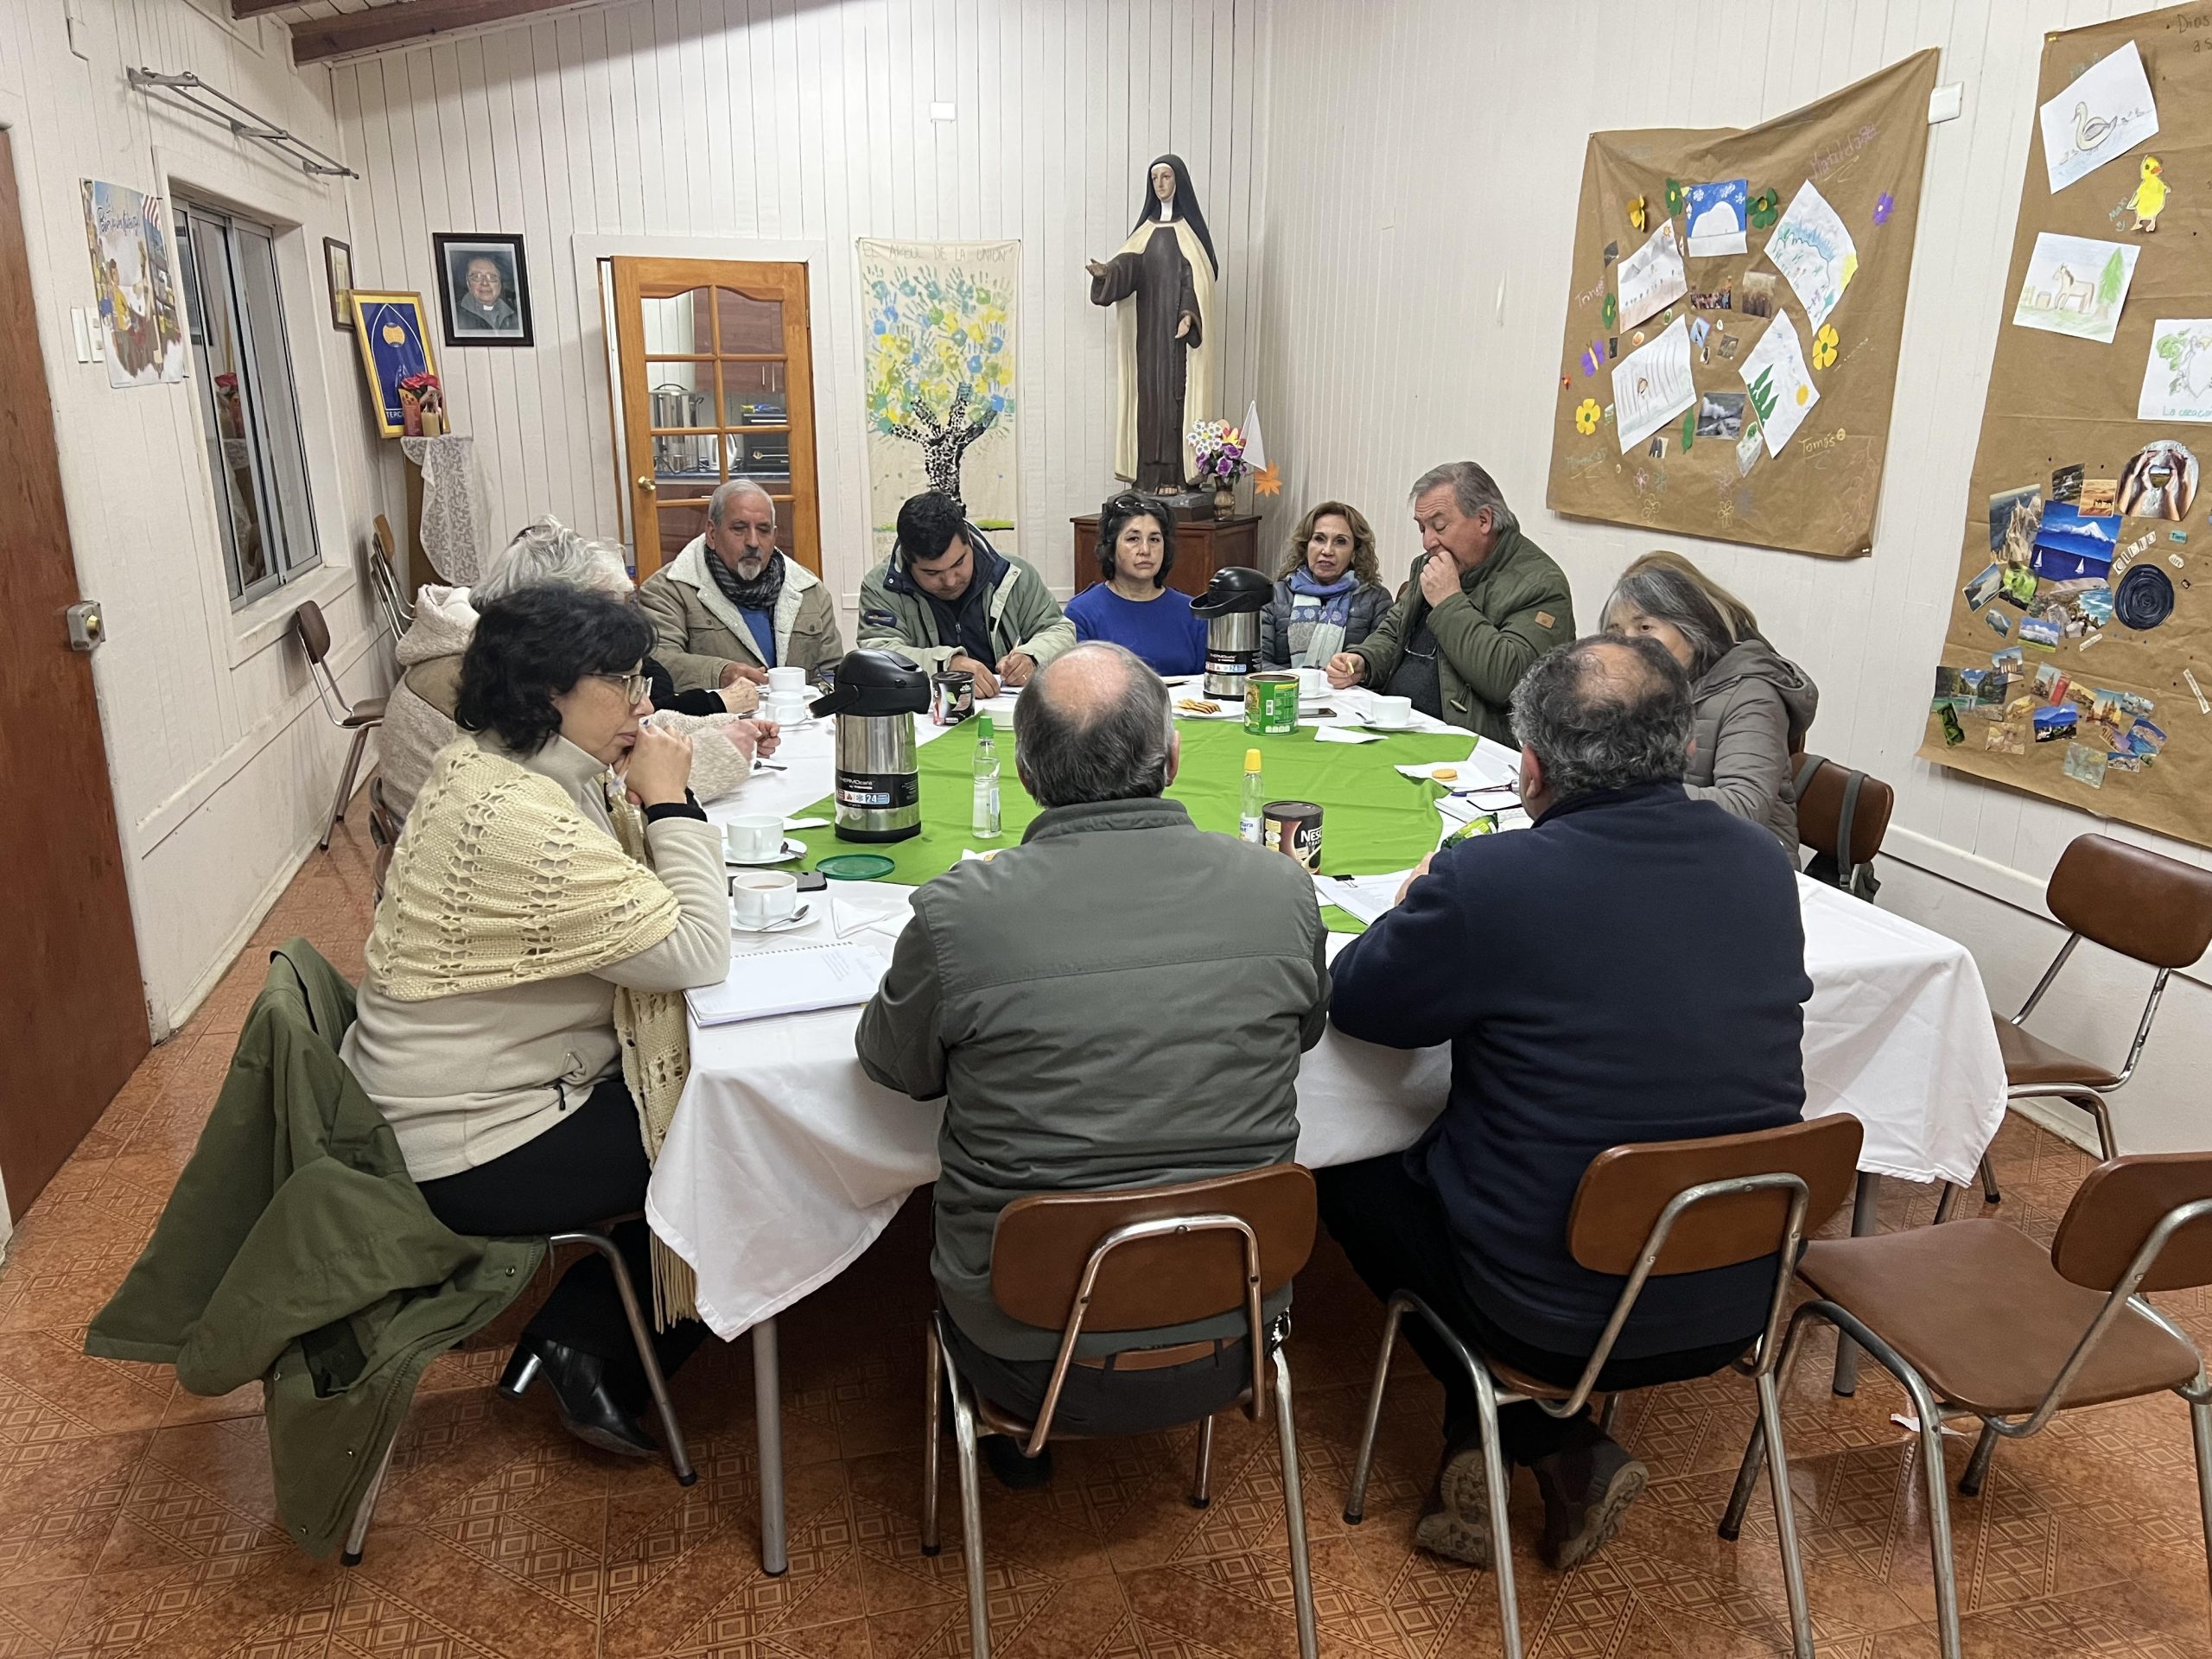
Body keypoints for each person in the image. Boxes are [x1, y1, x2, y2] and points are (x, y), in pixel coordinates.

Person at [1318, 636, 1811, 1573]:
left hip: (1546, 1310)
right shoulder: (1758, 864)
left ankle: (1542, 1435)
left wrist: (1415, 904)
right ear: (1678, 751)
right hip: (1737, 1286)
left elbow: (1361, 1005)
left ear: (1530, 771)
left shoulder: (1492, 882)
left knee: (1352, 1167)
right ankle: (1551, 1444)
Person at [854, 642, 1330, 1484]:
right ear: (1174, 758)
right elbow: (1303, 1037)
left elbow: (896, 1068)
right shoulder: (1283, 887)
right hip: (1237, 1332)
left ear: (1029, 778)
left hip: (1023, 1353)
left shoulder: (962, 913)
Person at [343, 586, 734, 1457]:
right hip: (472, 1142)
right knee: (741, 1147)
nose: (641, 702)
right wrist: (670, 803)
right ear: (548, 691)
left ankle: (592, 1328)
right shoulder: (517, 821)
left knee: (719, 1098)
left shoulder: (493, 765)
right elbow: (698, 948)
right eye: (622, 682)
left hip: (468, 1094)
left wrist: (669, 774)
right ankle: (588, 1346)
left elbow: (636, 885)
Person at [380, 521, 774, 816]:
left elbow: (617, 734)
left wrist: (708, 727)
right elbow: (604, 797)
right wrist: (717, 755)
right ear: (550, 614)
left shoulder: (491, 650)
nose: (613, 624)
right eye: (601, 610)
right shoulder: (478, 681)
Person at [1326, 462, 1573, 741]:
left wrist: (1448, 601)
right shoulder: (1430, 564)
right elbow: (1393, 632)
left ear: (1484, 520)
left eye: (1439, 526)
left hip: (1469, 745)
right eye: (1422, 528)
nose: (1428, 542)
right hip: (1395, 725)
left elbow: (1509, 681)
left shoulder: (1541, 583)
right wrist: (1363, 660)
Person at [1600, 551, 1818, 852]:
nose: (1629, 645)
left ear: (1691, 630)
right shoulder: (1641, 685)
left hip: (1745, 860)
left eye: (1645, 628)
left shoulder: (1751, 693)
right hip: (1658, 840)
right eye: (1616, 632)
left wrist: (1626, 794)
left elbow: (1745, 806)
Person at [856, 491, 1074, 697]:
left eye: (959, 562)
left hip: (1008, 716)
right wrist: (945, 665)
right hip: (924, 720)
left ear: (969, 540)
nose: (950, 581)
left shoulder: (1013, 574)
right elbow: (878, 653)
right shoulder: (881, 587)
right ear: (908, 561)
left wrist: (1032, 657)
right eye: (932, 573)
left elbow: (1059, 630)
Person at [636, 478, 844, 692]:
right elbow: (655, 662)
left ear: (775, 536)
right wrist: (719, 674)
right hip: (716, 722)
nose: (753, 542)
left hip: (801, 721)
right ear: (712, 534)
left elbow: (832, 672)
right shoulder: (668, 590)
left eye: (763, 530)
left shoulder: (808, 590)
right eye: (739, 528)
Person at [1087, 155, 1219, 491]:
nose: (1160, 184)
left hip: (1176, 341)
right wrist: (1108, 273)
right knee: (1147, 402)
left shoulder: (1189, 236)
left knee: (1174, 400)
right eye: (1155, 178)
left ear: (1179, 182)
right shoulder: (1143, 236)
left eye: (1166, 177)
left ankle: (1174, 475)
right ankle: (1147, 476)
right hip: (1147, 338)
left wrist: (1189, 313)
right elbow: (1128, 267)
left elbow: (1196, 278)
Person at [1064, 493, 1207, 675]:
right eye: (1133, 539)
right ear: (1110, 548)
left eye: (1154, 539)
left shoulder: (1192, 613)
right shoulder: (1082, 613)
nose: (1145, 550)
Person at [1259, 501, 1394, 668]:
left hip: (1347, 692)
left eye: (1340, 541)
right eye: (1319, 539)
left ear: (1355, 551)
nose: (1327, 551)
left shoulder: (1376, 599)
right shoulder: (1276, 595)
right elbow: (1258, 662)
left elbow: (1381, 667)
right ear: (1305, 545)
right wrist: (1305, 685)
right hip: (1282, 692)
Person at [453, 254, 519, 333]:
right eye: (477, 277)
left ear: (499, 283)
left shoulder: (516, 317)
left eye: (492, 277)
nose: (485, 283)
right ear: (468, 283)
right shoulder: (455, 316)